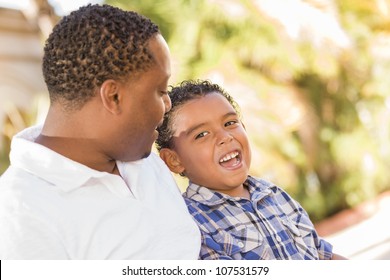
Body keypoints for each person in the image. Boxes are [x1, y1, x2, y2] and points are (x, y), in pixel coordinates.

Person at [0, 4, 201, 259]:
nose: (168, 103)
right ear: (113, 97)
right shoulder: (20, 215)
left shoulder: (143, 157)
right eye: (160, 91)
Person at [156, 79, 347, 260]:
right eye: (202, 134)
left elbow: (322, 255)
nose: (225, 136)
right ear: (174, 160)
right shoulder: (192, 223)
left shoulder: (273, 194)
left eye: (230, 123)